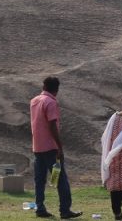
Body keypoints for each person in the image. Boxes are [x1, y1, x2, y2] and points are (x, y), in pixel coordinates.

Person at [30, 77, 82, 219]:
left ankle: (40, 208)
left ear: (44, 86)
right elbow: (52, 125)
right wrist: (60, 146)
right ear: (56, 89)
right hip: (51, 148)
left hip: (37, 147)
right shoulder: (51, 102)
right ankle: (65, 210)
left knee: (39, 180)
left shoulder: (34, 101)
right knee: (60, 180)